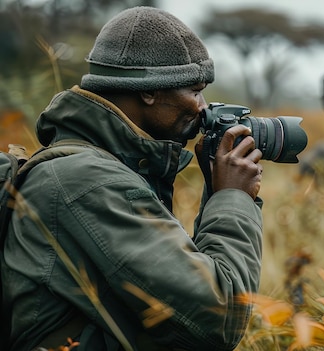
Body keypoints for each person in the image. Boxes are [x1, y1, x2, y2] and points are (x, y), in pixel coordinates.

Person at [1, 6, 264, 351]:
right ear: (149, 91)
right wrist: (233, 198)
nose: (203, 107)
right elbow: (219, 318)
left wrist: (217, 191)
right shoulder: (87, 181)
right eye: (195, 90)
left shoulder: (103, 170)